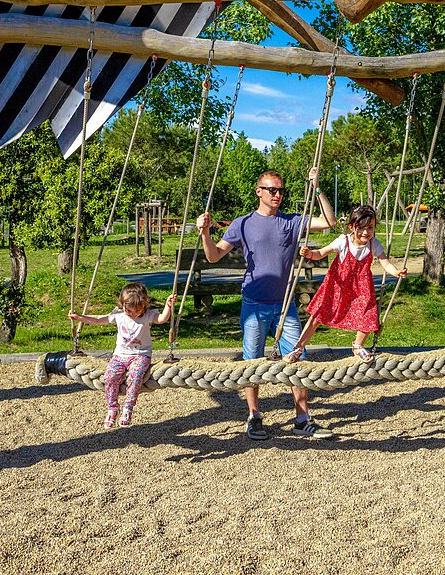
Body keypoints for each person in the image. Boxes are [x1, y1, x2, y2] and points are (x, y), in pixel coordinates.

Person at [196, 169, 336, 441]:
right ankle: (254, 416)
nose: (278, 195)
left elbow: (329, 222)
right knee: (252, 363)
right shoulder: (243, 223)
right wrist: (204, 233)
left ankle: (302, 418)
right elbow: (213, 257)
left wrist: (317, 188)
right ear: (258, 191)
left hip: (285, 306)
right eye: (272, 190)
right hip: (254, 303)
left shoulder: (291, 221)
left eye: (281, 191)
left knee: (299, 360)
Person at [286, 204, 407, 362]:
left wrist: (396, 272)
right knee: (318, 315)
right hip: (338, 285)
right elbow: (321, 253)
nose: (366, 232)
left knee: (368, 315)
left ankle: (358, 346)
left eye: (370, 228)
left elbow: (385, 263)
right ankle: (298, 347)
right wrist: (310, 254)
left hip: (361, 288)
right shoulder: (343, 241)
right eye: (361, 228)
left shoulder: (373, 244)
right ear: (351, 226)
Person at [69, 282, 175, 429]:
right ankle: (112, 408)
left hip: (140, 355)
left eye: (137, 310)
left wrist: (168, 306)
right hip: (120, 355)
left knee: (135, 375)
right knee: (110, 376)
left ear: (144, 306)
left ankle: (128, 408)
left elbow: (162, 319)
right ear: (122, 305)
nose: (132, 313)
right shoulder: (118, 315)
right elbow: (99, 319)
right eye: (129, 310)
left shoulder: (148, 316)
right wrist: (80, 317)